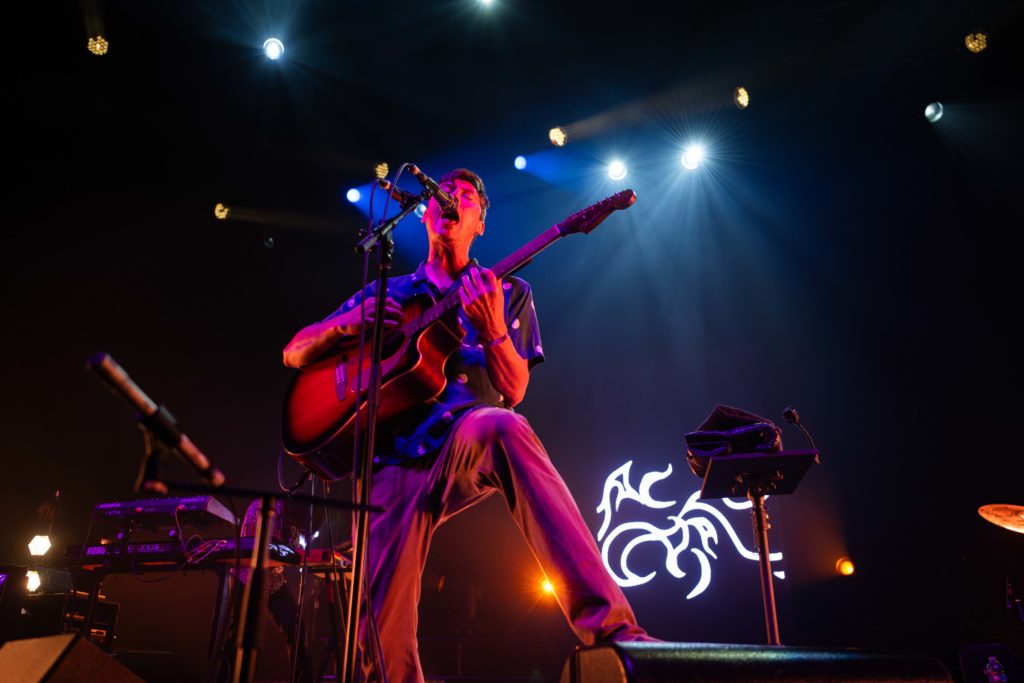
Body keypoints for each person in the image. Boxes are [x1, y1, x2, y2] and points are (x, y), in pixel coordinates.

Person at [282, 168, 651, 682]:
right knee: (380, 645)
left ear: (480, 220)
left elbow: (516, 389)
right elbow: (295, 351)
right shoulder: (391, 291)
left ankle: (617, 636)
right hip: (391, 460)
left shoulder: (506, 290)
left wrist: (494, 329)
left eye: (464, 196)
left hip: (463, 437)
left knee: (506, 425)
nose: (449, 200)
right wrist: (345, 325)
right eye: (441, 194)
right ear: (426, 214)